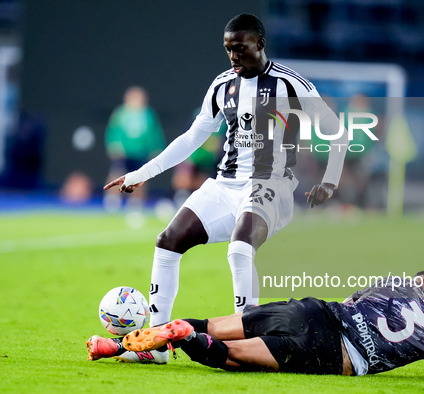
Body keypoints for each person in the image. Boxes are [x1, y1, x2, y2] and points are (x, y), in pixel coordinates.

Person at [103, 14, 347, 362]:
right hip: (224, 184)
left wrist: (330, 180)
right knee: (167, 242)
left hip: (271, 184)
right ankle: (154, 347)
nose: (233, 56)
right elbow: (193, 137)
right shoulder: (222, 86)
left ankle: (253, 343)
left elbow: (337, 131)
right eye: (228, 49)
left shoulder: (291, 85)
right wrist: (144, 172)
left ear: (259, 44)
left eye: (240, 48)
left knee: (239, 248)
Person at [86, 270, 424, 380]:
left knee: (216, 322)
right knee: (232, 358)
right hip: (333, 353)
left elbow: (353, 302)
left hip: (315, 310)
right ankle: (190, 339)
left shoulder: (392, 282)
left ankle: (118, 346)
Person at [103, 86, 166, 213]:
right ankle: (112, 201)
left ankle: (136, 204)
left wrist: (156, 148)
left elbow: (154, 133)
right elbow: (113, 131)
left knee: (141, 177)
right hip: (124, 152)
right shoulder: (121, 113)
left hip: (141, 152)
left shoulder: (148, 114)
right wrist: (114, 144)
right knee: (117, 174)